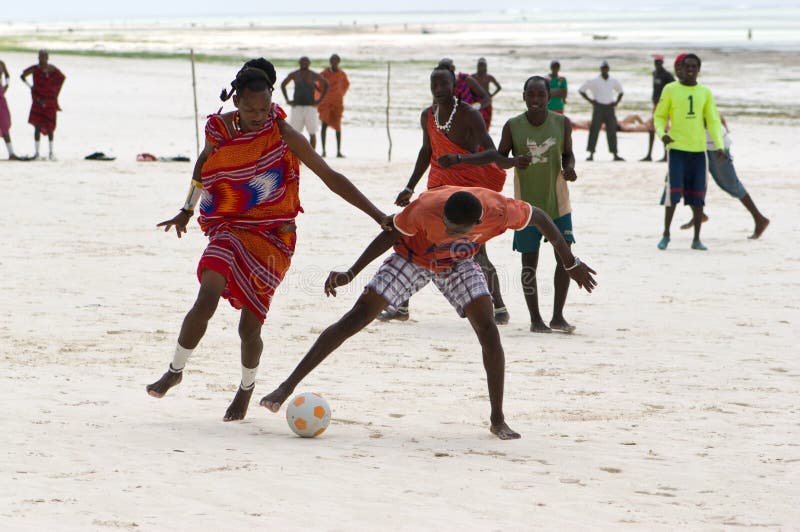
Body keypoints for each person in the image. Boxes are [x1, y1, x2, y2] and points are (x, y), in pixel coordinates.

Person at [146, 59, 387, 421]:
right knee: (206, 294)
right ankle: (175, 371)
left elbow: (330, 176)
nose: (258, 115)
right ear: (236, 101)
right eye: (249, 108)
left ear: (272, 98)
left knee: (249, 326)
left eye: (263, 108)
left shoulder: (285, 133)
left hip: (274, 236)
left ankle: (245, 389)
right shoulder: (220, 129)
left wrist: (379, 216)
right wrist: (186, 209)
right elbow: (202, 166)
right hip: (228, 226)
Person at [259, 186, 598, 440]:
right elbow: (389, 233)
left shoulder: (499, 211)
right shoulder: (424, 209)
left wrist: (570, 261)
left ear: (479, 221)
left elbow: (539, 217)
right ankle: (286, 387)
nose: (449, 232)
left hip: (460, 263)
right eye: (448, 225)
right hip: (412, 258)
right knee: (356, 318)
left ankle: (497, 418)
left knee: (489, 332)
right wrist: (351, 272)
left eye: (457, 229)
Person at [379, 67, 513, 324]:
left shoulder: (469, 114)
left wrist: (460, 158)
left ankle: (499, 307)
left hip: (466, 191)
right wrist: (409, 187)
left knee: (475, 250)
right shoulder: (427, 116)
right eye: (434, 85)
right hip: (437, 189)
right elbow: (426, 151)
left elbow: (493, 153)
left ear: (454, 86)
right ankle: (402, 306)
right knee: (413, 243)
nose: (439, 89)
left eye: (443, 84)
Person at [498, 76, 579, 333]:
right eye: (531, 95)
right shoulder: (513, 126)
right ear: (523, 96)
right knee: (528, 263)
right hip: (526, 207)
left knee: (564, 259)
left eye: (540, 95)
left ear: (548, 97)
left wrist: (570, 169)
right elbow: (498, 159)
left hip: (558, 203)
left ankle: (557, 316)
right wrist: (513, 162)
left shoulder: (562, 123)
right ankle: (535, 319)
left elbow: (568, 154)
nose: (535, 100)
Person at [654, 53, 725, 251]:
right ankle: (666, 234)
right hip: (676, 149)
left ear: (698, 70)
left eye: (694, 67)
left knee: (698, 195)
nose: (691, 70)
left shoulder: (705, 92)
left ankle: (696, 238)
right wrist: (662, 134)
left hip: (698, 151)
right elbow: (659, 117)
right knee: (672, 192)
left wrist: (719, 146)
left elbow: (713, 121)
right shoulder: (670, 90)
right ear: (681, 69)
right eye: (687, 67)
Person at [676, 119, 770, 239]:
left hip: (715, 144)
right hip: (699, 143)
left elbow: (710, 117)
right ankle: (699, 214)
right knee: (686, 179)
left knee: (729, 184)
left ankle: (759, 219)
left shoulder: (701, 100)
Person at [20, 50, 65, 161]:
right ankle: (37, 153)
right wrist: (30, 87)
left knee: (50, 127)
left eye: (44, 56)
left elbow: (61, 78)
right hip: (38, 99)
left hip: (49, 100)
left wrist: (54, 91)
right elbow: (22, 76)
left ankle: (51, 153)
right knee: (37, 126)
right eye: (40, 56)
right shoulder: (35, 68)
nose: (42, 59)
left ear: (47, 57)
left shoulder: (52, 69)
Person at [579, 60, 624, 161]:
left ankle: (615, 154)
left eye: (606, 68)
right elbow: (581, 90)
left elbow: (621, 92)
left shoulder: (613, 80)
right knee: (594, 130)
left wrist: (616, 102)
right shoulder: (594, 80)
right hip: (598, 107)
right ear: (601, 69)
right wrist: (591, 101)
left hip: (609, 108)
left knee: (612, 130)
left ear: (608, 69)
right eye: (603, 68)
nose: (604, 70)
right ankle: (591, 154)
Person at [280, 56, 329, 150]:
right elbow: (283, 85)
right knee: (294, 133)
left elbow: (326, 84)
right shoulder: (295, 74)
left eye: (306, 62)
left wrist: (319, 101)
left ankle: (312, 156)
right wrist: (287, 100)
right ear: (299, 63)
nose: (304, 64)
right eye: (302, 62)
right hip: (297, 107)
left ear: (309, 63)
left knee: (312, 132)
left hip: (310, 107)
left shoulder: (313, 75)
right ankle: (296, 157)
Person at [437, 58, 491, 130]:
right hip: (452, 125)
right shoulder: (439, 87)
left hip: (471, 122)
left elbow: (486, 98)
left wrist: (474, 108)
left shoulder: (465, 80)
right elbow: (436, 107)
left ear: (453, 69)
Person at [641, 54, 675, 162]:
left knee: (663, 129)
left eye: (659, 62)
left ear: (662, 63)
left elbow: (675, 88)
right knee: (651, 129)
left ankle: (665, 155)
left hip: (664, 106)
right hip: (656, 105)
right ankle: (649, 155)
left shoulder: (667, 75)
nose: (657, 64)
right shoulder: (655, 74)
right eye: (655, 62)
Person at [317, 54, 350, 158]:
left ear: (338, 61)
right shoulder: (324, 73)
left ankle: (338, 151)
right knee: (324, 126)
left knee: (338, 127)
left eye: (336, 60)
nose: (334, 62)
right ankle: (323, 151)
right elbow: (317, 84)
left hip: (337, 103)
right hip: (326, 103)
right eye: (332, 60)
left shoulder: (342, 74)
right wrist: (322, 96)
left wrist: (339, 94)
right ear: (330, 61)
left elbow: (345, 85)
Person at [472, 57, 502, 130]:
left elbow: (498, 87)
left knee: (486, 120)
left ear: (486, 66)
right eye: (479, 65)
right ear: (477, 66)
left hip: (486, 101)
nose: (481, 67)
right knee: (475, 119)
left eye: (482, 65)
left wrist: (491, 95)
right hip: (476, 100)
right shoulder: (473, 77)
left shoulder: (489, 77)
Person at [0, 58, 18, 159]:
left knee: (4, 122)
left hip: (0, 96)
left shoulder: (1, 63)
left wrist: (7, 85)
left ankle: (11, 152)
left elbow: (7, 75)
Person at [571, 113, 651, 132]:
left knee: (634, 116)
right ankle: (648, 124)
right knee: (643, 126)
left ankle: (648, 124)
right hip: (618, 125)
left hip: (618, 124)